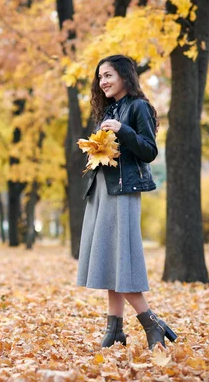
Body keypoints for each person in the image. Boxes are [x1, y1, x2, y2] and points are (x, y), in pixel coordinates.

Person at [76, 54, 177, 350]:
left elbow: (148, 151)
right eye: (100, 77)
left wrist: (124, 131)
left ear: (123, 76)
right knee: (109, 259)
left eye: (108, 75)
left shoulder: (138, 107)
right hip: (102, 190)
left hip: (123, 191)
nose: (102, 81)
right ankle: (115, 329)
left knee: (123, 259)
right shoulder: (109, 110)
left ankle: (151, 322)